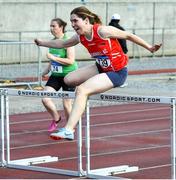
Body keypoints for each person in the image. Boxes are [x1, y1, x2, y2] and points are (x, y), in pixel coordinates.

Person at [35, 6, 161, 140]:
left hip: (117, 72)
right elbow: (63, 43)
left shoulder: (102, 31)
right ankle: (85, 96)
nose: (72, 25)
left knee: (82, 90)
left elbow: (128, 35)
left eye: (75, 21)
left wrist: (150, 47)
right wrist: (42, 43)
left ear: (86, 20)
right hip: (100, 67)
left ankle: (69, 129)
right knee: (68, 80)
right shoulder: (80, 37)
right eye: (71, 22)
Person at [41, 18, 78, 132]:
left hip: (69, 76)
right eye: (50, 26)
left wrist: (53, 58)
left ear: (61, 27)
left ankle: (69, 128)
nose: (51, 28)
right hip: (56, 75)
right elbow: (52, 61)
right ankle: (56, 118)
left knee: (67, 104)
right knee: (45, 98)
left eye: (54, 26)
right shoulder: (52, 42)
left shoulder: (68, 41)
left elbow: (71, 60)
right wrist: (46, 71)